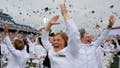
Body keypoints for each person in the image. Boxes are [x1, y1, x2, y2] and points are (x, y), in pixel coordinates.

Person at [41, 3, 80, 68]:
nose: (55, 42)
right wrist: (49, 25)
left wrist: (65, 15)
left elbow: (74, 34)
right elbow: (44, 40)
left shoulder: (72, 51)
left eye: (58, 40)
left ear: (65, 41)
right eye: (54, 40)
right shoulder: (51, 50)